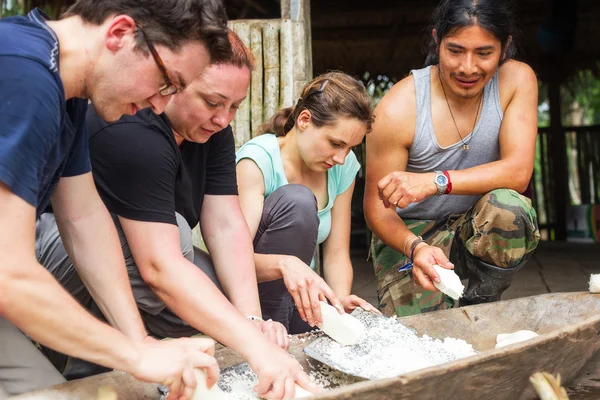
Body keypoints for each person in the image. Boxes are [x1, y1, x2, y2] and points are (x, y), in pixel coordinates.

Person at [36, 30, 319, 400]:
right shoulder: (133, 130)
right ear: (175, 83)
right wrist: (252, 344)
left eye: (234, 106)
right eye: (212, 102)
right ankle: (94, 361)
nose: (223, 118)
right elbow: (159, 266)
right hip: (49, 255)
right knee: (181, 241)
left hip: (130, 259)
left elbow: (225, 224)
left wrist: (250, 321)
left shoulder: (214, 131)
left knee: (219, 300)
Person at [0, 0, 231, 398]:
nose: (160, 104)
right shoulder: (25, 73)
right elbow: (9, 273)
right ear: (120, 34)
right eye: (165, 81)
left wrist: (138, 341)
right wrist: (133, 356)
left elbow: (83, 218)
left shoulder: (66, 93)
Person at [364, 0, 541, 318]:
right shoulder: (398, 107)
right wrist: (416, 248)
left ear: (505, 48)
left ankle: (480, 302)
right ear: (437, 41)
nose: (468, 68)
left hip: (478, 223)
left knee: (509, 206)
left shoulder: (517, 80)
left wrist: (434, 181)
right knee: (420, 342)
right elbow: (377, 210)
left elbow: (518, 172)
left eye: (484, 53)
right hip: (410, 234)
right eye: (455, 50)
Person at [236, 72, 380, 335]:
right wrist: (285, 264)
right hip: (251, 301)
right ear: (304, 120)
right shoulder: (257, 161)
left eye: (350, 148)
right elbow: (234, 262)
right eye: (335, 143)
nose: (340, 157)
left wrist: (339, 304)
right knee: (298, 201)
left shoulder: (342, 167)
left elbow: (336, 254)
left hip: (300, 295)